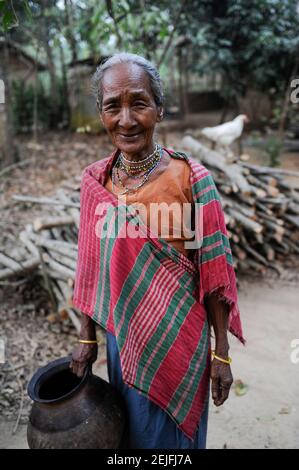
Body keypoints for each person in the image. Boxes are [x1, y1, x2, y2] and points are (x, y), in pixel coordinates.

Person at [70, 52, 245, 449]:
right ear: (100, 113)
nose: (126, 120)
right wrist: (86, 338)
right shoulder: (96, 182)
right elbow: (89, 267)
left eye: (140, 103)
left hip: (182, 344)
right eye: (113, 106)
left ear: (160, 109)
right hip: (123, 341)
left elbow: (213, 275)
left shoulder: (192, 180)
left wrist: (222, 355)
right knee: (132, 437)